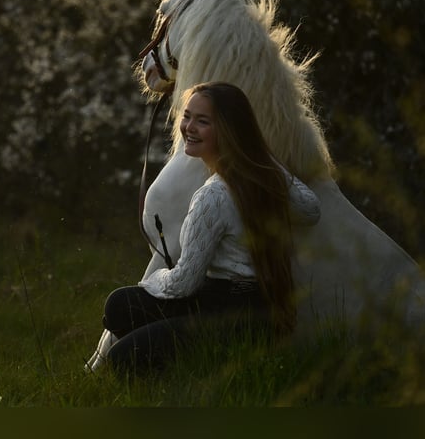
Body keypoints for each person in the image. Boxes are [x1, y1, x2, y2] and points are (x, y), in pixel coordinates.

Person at [96, 81, 321, 374]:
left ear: (228, 131)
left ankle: (207, 368)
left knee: (121, 360)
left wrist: (151, 282)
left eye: (203, 121)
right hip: (258, 306)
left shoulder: (213, 195)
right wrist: (262, 159)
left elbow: (184, 283)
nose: (188, 127)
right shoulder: (262, 175)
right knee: (119, 306)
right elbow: (310, 208)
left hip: (230, 313)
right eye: (187, 116)